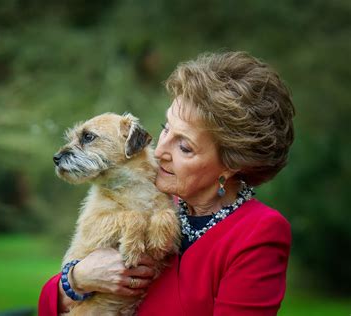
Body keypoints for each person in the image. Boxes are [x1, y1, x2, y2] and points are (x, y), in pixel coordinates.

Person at [38, 51, 295, 315]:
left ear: (230, 165)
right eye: (166, 128)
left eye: (184, 146)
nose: (160, 150)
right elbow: (50, 302)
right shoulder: (151, 201)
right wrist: (78, 279)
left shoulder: (258, 233)